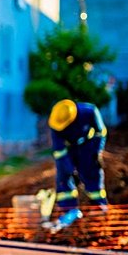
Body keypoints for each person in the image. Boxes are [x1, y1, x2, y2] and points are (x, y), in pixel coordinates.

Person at [46, 99, 108, 233]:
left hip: (88, 144)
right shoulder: (56, 124)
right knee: (63, 177)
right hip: (69, 148)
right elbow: (59, 151)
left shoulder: (89, 111)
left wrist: (97, 152)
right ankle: (68, 210)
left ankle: (98, 207)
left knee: (91, 172)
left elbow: (100, 132)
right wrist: (69, 169)